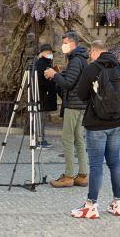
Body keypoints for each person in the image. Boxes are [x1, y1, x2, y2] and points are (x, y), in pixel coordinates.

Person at [70, 39, 120, 219]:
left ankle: (91, 205)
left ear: (94, 51)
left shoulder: (92, 68)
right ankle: (117, 203)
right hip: (116, 122)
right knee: (115, 162)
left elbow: (81, 93)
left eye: (90, 53)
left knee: (96, 165)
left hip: (96, 124)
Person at [44, 31, 89, 188]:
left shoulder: (76, 60)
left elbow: (69, 84)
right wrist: (59, 73)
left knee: (67, 139)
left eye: (66, 42)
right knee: (78, 139)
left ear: (73, 43)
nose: (63, 45)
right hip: (80, 104)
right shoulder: (80, 59)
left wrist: (54, 74)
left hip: (74, 105)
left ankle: (69, 176)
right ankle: (83, 175)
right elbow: (72, 79)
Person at [34, 44, 58, 149]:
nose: (51, 55)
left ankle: (40, 139)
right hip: (42, 96)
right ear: (43, 53)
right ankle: (39, 140)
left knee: (42, 119)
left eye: (51, 53)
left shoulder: (46, 63)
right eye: (49, 53)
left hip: (43, 95)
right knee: (40, 119)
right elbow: (40, 81)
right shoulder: (41, 64)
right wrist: (51, 78)